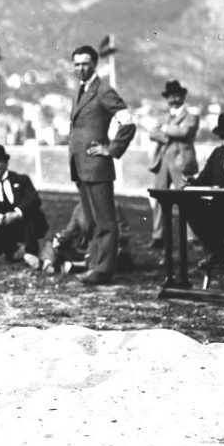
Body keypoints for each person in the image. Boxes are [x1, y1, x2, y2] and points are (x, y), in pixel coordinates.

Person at [66, 44, 137, 286]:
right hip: (80, 166)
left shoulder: (104, 91)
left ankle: (104, 269)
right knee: (90, 221)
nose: (80, 68)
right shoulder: (79, 91)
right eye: (76, 64)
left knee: (105, 221)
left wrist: (111, 149)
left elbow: (128, 122)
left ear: (95, 64)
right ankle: (95, 264)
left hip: (97, 167)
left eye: (85, 63)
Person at [183, 110, 224, 272]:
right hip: (219, 213)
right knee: (188, 203)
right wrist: (191, 182)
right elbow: (202, 181)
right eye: (222, 138)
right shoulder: (218, 154)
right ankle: (219, 252)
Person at [146, 79, 200, 250]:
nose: (174, 99)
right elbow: (152, 132)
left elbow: (185, 132)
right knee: (159, 198)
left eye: (177, 96)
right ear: (167, 98)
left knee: (187, 198)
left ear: (183, 97)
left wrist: (164, 129)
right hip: (162, 160)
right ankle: (158, 237)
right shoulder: (163, 116)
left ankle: (192, 237)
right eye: (170, 96)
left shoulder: (191, 116)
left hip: (182, 162)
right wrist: (168, 133)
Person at [0, 144, 48, 262]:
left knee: (30, 212)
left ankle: (31, 251)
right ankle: (12, 250)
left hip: (27, 226)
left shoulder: (22, 179)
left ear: (5, 162)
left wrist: (16, 214)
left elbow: (34, 199)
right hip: (6, 229)